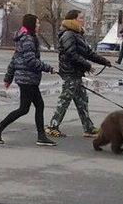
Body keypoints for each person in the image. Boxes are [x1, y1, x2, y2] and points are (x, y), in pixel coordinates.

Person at [0, 14, 57, 146]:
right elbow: (31, 61)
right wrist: (48, 68)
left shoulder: (24, 38)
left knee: (39, 105)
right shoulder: (28, 39)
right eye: (37, 23)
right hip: (27, 79)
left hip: (27, 79)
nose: (39, 26)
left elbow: (14, 60)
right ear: (32, 25)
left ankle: (41, 136)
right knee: (24, 109)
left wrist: (8, 78)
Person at [45, 10, 112, 138]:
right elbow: (71, 54)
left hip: (76, 73)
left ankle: (88, 128)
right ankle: (52, 126)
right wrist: (87, 65)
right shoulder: (68, 34)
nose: (82, 20)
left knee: (82, 101)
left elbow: (88, 53)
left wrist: (104, 62)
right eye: (80, 18)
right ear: (73, 20)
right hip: (70, 72)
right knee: (65, 99)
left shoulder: (77, 34)